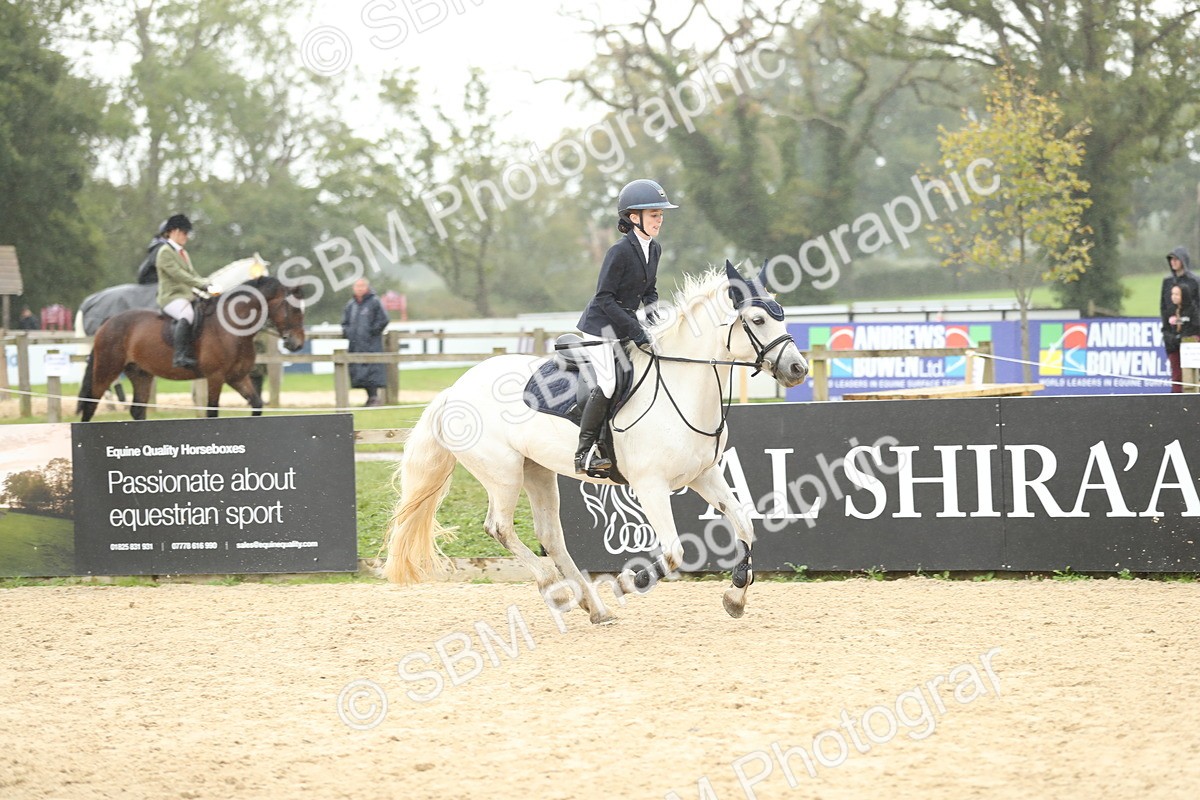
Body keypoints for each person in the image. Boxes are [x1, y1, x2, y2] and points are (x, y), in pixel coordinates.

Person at [574, 178, 677, 474]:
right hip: (600, 326)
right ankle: (585, 452)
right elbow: (605, 298)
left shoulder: (654, 249)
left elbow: (649, 293)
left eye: (660, 214)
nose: (660, 219)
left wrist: (657, 323)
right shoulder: (619, 252)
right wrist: (637, 331)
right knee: (609, 383)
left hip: (624, 323)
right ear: (634, 218)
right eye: (654, 214)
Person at [156, 214, 214, 370]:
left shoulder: (183, 253)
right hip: (171, 297)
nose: (186, 237)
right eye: (184, 233)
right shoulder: (164, 252)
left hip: (187, 296)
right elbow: (179, 275)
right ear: (174, 231)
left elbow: (192, 274)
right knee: (187, 315)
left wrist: (208, 283)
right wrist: (201, 285)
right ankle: (179, 356)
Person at [341, 278, 390, 406]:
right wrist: (349, 333)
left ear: (367, 287)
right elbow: (344, 323)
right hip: (356, 344)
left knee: (372, 370)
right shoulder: (351, 305)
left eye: (362, 286)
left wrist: (371, 332)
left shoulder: (374, 302)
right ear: (353, 288)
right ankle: (370, 398)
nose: (360, 289)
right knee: (359, 372)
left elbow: (383, 320)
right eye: (357, 286)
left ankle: (374, 398)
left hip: (371, 344)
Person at [1160, 247, 1200, 392]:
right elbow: (1163, 308)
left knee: (1192, 375)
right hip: (1172, 334)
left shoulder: (1194, 281)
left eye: (1176, 259)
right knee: (1176, 374)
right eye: (1171, 259)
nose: (1173, 262)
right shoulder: (1167, 282)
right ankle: (1176, 406)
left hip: (1191, 334)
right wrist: (1167, 333)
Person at [136, 220, 170, 285]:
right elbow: (155, 262)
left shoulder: (167, 245)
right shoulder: (159, 245)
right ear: (166, 233)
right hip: (149, 276)